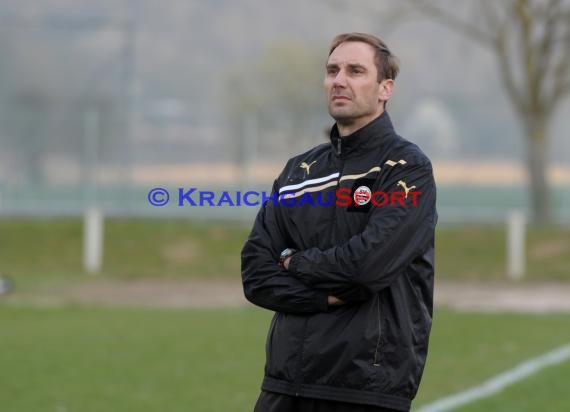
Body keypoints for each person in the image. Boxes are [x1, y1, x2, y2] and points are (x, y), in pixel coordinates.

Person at [241, 32, 437, 412]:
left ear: (385, 88)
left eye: (355, 71)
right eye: (332, 70)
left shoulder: (406, 168)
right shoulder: (298, 172)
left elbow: (366, 267)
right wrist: (319, 296)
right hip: (284, 384)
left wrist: (296, 262)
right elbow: (255, 273)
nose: (339, 80)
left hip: (364, 386)